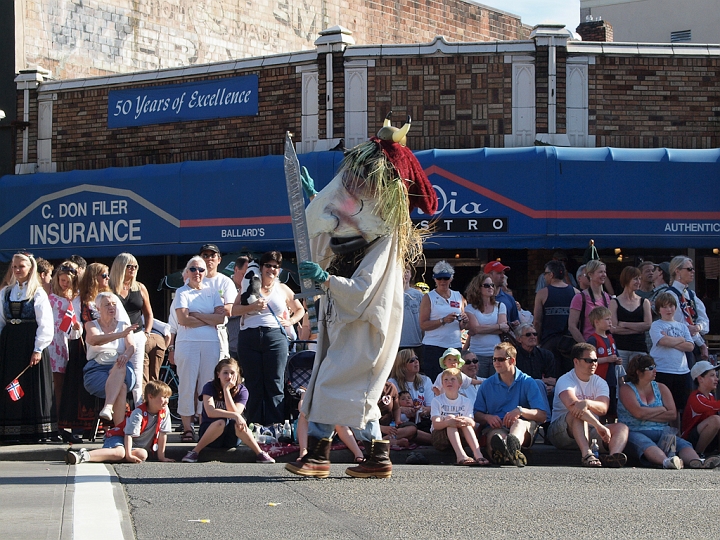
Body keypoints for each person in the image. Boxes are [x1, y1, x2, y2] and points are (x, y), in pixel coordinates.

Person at [286, 116, 437, 480]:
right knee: (353, 393)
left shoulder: (387, 243)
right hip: (348, 325)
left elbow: (364, 290)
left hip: (363, 328)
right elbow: (344, 224)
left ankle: (320, 453)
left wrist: (325, 278)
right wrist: (317, 198)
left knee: (332, 385)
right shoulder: (371, 236)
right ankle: (377, 454)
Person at [233, 250, 304, 426]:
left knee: (275, 382)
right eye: (268, 265)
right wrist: (252, 307)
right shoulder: (248, 285)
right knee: (253, 382)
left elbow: (300, 309)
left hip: (275, 336)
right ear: (261, 267)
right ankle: (254, 424)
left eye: (275, 267)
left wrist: (290, 321)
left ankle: (276, 426)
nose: (271, 269)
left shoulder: (282, 289)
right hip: (249, 335)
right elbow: (233, 310)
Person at [618, 354, 718, 469]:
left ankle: (698, 462)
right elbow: (638, 413)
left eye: (655, 367)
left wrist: (645, 414)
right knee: (645, 443)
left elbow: (672, 414)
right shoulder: (626, 389)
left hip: (662, 430)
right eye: (650, 368)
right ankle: (667, 462)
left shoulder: (661, 388)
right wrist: (661, 409)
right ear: (638, 372)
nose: (655, 370)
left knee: (682, 444)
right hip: (635, 430)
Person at [0, 252, 56, 443]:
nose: (17, 271)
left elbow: (46, 323)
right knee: (10, 383)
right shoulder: (6, 292)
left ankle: (35, 431)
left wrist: (38, 348)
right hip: (10, 344)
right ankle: (11, 430)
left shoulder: (37, 293)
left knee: (30, 384)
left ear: (30, 268)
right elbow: (1, 320)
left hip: (29, 341)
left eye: (21, 267)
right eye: (14, 267)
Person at [547, 343, 629, 467]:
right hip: (562, 432)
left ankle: (613, 457)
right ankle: (587, 455)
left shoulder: (600, 382)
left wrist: (587, 403)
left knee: (622, 428)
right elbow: (573, 406)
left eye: (595, 360)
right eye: (589, 360)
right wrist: (599, 425)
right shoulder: (565, 380)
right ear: (576, 361)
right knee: (576, 414)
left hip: (591, 430)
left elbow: (603, 409)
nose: (594, 364)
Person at [181, 358, 275, 463]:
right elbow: (210, 412)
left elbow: (235, 412)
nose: (229, 376)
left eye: (232, 373)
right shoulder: (209, 386)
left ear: (237, 374)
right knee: (221, 422)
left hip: (232, 437)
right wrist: (236, 415)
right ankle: (195, 452)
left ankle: (260, 453)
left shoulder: (242, 391)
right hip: (210, 434)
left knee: (238, 424)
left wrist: (226, 391)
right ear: (218, 374)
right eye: (225, 373)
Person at [173, 256, 225, 442]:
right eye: (193, 269)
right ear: (187, 272)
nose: (197, 273)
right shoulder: (182, 292)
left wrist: (197, 315)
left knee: (208, 384)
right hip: (188, 343)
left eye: (201, 270)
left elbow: (221, 319)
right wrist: (208, 318)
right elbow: (184, 319)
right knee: (187, 384)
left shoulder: (212, 292)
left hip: (211, 343)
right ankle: (187, 427)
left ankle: (205, 424)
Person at [474, 342, 550, 467]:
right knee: (497, 435)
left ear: (512, 360)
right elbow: (477, 414)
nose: (496, 363)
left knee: (518, 423)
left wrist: (520, 411)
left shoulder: (528, 382)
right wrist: (488, 417)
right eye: (494, 359)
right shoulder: (487, 384)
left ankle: (509, 448)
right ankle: (509, 451)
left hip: (524, 426)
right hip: (497, 427)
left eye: (501, 359)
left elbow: (542, 416)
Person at [65, 380, 175, 465]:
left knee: (143, 454)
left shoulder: (164, 411)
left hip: (134, 446)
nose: (167, 401)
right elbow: (128, 435)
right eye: (164, 397)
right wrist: (128, 455)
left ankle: (111, 455)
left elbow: (163, 434)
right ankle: (84, 455)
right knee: (121, 453)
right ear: (150, 397)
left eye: (168, 397)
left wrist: (162, 457)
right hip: (119, 437)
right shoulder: (139, 413)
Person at [83, 292, 138, 426]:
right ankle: (118, 430)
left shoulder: (124, 325)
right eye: (107, 305)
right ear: (98, 308)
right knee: (121, 387)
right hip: (97, 369)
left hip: (122, 366)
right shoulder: (91, 325)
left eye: (114, 304)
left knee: (120, 364)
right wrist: (119, 335)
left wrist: (125, 355)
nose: (111, 307)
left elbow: (131, 346)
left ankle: (108, 407)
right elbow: (95, 340)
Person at [110, 253, 153, 405]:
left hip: (137, 335)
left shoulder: (140, 287)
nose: (133, 269)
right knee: (116, 371)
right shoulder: (110, 288)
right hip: (116, 336)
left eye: (135, 266)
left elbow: (148, 314)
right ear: (120, 267)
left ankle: (138, 413)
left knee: (137, 373)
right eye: (130, 266)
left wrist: (146, 333)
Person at [47, 261, 83, 441]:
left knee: (60, 386)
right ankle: (49, 422)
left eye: (67, 280)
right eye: (62, 280)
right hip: (49, 341)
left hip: (64, 343)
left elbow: (76, 331)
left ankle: (59, 423)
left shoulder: (75, 299)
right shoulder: (50, 296)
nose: (64, 283)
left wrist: (77, 327)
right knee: (50, 385)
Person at [419, 260, 467, 381]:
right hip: (434, 346)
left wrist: (464, 321)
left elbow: (462, 325)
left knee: (454, 379)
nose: (442, 281)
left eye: (445, 278)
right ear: (434, 279)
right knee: (435, 380)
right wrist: (442, 320)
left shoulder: (458, 296)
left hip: (454, 345)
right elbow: (423, 324)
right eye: (439, 278)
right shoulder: (428, 297)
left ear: (451, 278)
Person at [431, 368, 489, 466]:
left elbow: (473, 423)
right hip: (440, 438)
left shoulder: (466, 401)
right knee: (450, 418)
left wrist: (466, 420)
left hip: (462, 437)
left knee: (466, 423)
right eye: (446, 380)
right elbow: (436, 424)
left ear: (460, 384)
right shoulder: (437, 401)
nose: (449, 382)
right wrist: (448, 422)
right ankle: (460, 456)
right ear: (442, 383)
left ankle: (478, 454)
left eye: (453, 379)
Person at [650, 292, 694, 415]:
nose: (668, 309)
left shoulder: (683, 326)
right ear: (659, 310)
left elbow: (690, 346)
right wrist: (680, 339)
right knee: (663, 404)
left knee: (680, 406)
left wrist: (671, 340)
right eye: (664, 307)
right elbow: (662, 341)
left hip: (682, 370)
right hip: (663, 369)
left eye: (671, 306)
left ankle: (678, 431)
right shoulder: (656, 325)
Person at [533, 259, 579, 372]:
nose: (544, 277)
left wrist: (537, 340)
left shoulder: (542, 293)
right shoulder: (576, 292)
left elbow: (537, 321)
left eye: (545, 273)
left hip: (549, 341)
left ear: (552, 274)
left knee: (550, 376)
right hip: (570, 342)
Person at [463, 272, 508, 378]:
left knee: (497, 386)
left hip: (497, 354)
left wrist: (482, 328)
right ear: (478, 288)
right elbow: (475, 329)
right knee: (479, 385)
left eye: (492, 285)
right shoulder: (470, 308)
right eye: (486, 285)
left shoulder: (500, 306)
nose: (490, 288)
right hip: (477, 355)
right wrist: (498, 326)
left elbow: (504, 328)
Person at [199, 244, 239, 359]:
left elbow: (230, 309)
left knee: (219, 369)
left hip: (218, 331)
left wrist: (200, 313)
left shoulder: (225, 281)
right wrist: (215, 309)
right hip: (196, 331)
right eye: (205, 255)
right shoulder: (193, 279)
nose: (209, 259)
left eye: (213, 255)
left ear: (219, 260)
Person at [666, 256, 710, 362]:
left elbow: (705, 321)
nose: (693, 272)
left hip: (696, 342)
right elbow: (681, 325)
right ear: (678, 271)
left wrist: (698, 327)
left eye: (693, 269)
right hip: (682, 345)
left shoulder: (691, 294)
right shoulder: (670, 294)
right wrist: (701, 343)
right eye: (689, 269)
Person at [610, 266, 651, 369]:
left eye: (639, 279)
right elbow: (613, 329)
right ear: (627, 279)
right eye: (635, 279)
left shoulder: (644, 302)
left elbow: (648, 325)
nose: (638, 282)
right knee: (620, 380)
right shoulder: (614, 302)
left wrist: (624, 324)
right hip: (620, 348)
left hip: (639, 348)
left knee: (640, 380)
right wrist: (638, 329)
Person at [586, 306, 622, 418]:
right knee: (601, 407)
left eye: (610, 319)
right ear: (596, 322)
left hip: (611, 378)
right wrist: (607, 359)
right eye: (607, 319)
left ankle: (611, 429)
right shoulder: (592, 339)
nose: (610, 322)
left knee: (612, 407)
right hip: (599, 378)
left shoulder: (610, 338)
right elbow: (589, 359)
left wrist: (618, 360)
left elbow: (615, 354)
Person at [568, 260, 612, 344]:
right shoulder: (580, 298)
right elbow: (572, 326)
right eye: (600, 272)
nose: (604, 275)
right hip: (588, 342)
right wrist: (586, 346)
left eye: (604, 272)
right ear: (590, 274)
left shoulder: (607, 297)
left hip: (606, 344)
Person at [682, 361, 720, 456]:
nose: (716, 379)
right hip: (689, 441)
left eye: (716, 375)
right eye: (712, 375)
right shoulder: (695, 397)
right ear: (700, 379)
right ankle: (698, 454)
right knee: (716, 420)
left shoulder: (711, 396)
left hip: (707, 437)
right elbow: (713, 407)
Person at [514, 322, 557, 401]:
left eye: (535, 334)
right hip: (520, 392)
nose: (533, 337)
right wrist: (540, 382)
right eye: (528, 335)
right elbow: (514, 381)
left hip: (545, 390)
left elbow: (553, 380)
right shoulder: (514, 356)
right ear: (519, 339)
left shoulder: (546, 355)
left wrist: (549, 386)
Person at [399, 265, 424, 367]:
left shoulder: (419, 295)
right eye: (402, 271)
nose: (405, 274)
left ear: (411, 275)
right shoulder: (390, 293)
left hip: (416, 341)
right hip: (397, 343)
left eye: (407, 271)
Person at [227, 255, 249, 360]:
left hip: (250, 346)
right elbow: (225, 312)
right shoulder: (225, 286)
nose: (248, 278)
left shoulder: (253, 288)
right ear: (236, 269)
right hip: (230, 346)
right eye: (244, 274)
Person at [484, 261, 519, 328]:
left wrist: (515, 324)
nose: (503, 276)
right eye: (499, 273)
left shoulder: (509, 299)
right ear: (489, 275)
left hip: (505, 337)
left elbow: (516, 321)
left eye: (503, 273)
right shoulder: (478, 298)